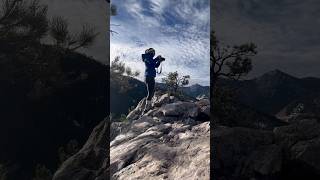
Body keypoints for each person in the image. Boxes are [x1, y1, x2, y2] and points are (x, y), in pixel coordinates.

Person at [141, 48, 165, 114]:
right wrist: (157, 58)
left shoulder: (149, 58)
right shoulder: (147, 57)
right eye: (152, 51)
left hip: (150, 77)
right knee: (150, 92)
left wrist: (159, 61)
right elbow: (152, 63)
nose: (153, 52)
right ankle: (146, 109)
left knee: (151, 92)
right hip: (148, 77)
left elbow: (155, 65)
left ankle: (148, 106)